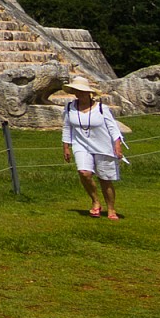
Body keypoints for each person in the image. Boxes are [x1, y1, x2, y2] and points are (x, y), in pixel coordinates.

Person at [59, 74, 128, 221]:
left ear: (88, 92)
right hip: (81, 145)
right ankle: (95, 201)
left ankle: (111, 208)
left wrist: (117, 145)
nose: (79, 94)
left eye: (82, 91)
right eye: (76, 91)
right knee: (84, 173)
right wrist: (66, 147)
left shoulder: (102, 108)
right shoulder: (70, 107)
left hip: (103, 146)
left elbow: (113, 128)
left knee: (105, 179)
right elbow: (67, 127)